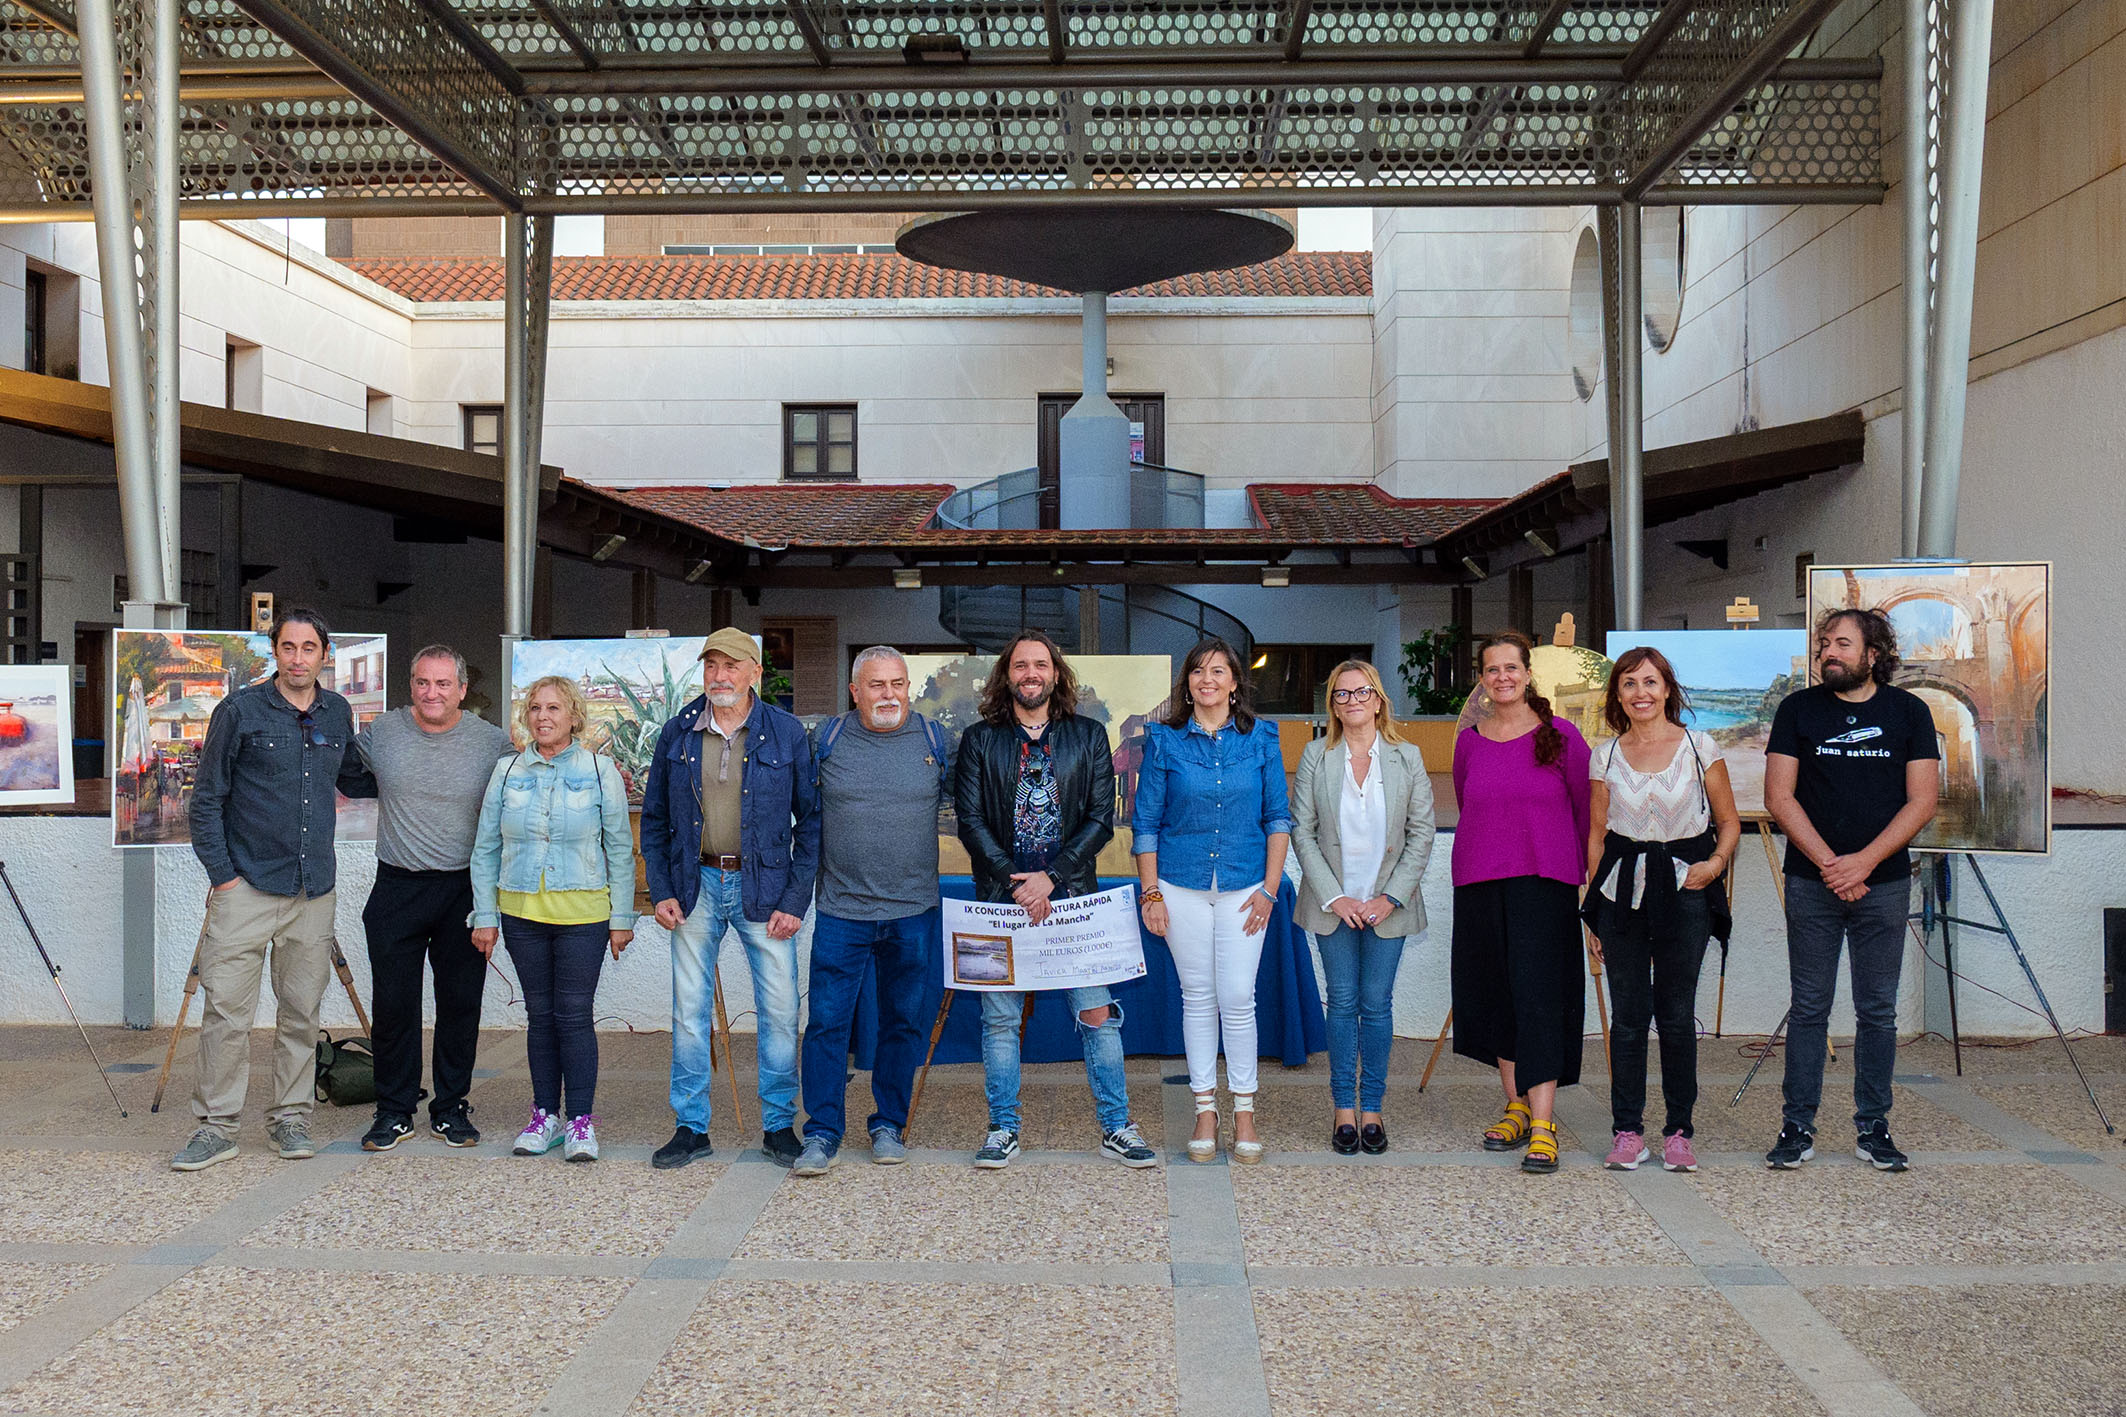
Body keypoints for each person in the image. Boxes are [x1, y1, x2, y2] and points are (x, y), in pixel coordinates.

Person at [172, 609, 376, 1172]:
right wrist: (224, 877)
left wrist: (424, 758)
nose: (298, 658)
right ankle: (216, 1128)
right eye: (288, 647)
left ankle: (291, 1118)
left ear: (324, 655)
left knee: (301, 1014)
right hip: (247, 887)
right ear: (275, 652)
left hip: (313, 891)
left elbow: (356, 779)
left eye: (309, 648)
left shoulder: (338, 713)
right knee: (227, 1015)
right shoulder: (239, 711)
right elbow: (206, 799)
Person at [955, 629, 1157, 1170]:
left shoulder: (1089, 735)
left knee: (1098, 1015)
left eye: (1039, 664)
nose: (1030, 673)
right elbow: (970, 822)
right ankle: (1003, 1129)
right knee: (998, 1021)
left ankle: (1116, 1126)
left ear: (1055, 673)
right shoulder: (979, 740)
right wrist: (1015, 880)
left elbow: (1100, 820)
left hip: (1074, 901)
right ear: (1007, 675)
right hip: (999, 901)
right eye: (1020, 665)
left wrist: (1051, 877)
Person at [1764, 607, 1939, 1173]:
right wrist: (1830, 865)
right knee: (1810, 1006)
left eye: (1841, 643)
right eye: (1823, 645)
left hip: (1883, 885)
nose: (1828, 653)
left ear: (1873, 654)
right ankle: (1797, 1126)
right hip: (1812, 884)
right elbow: (1779, 797)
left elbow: (1922, 801)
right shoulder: (1798, 710)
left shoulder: (1909, 712)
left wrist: (1862, 863)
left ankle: (1873, 1126)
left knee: (1878, 1011)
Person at [641, 626, 820, 1170]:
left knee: (780, 1012)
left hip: (766, 891)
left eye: (731, 666)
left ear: (755, 673)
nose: (720, 676)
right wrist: (662, 891)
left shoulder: (786, 733)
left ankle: (778, 1126)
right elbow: (654, 823)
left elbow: (811, 825)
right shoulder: (676, 733)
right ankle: (691, 1127)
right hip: (694, 887)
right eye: (711, 666)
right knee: (689, 1014)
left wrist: (795, 900)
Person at [791, 646, 954, 1177]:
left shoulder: (935, 740)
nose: (889, 695)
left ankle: (888, 1123)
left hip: (914, 911)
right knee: (827, 1025)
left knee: (903, 1022)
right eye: (877, 685)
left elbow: (973, 810)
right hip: (842, 911)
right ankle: (820, 1132)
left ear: (909, 687)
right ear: (855, 691)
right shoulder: (826, 741)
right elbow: (795, 815)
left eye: (898, 684)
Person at [1132, 637, 1291, 1164]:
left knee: (1238, 997)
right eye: (1198, 671)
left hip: (1247, 886)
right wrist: (1150, 892)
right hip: (1179, 885)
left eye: (1218, 671)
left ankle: (1244, 1111)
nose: (1208, 680)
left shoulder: (1263, 738)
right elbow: (1146, 824)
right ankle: (1205, 1109)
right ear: (1188, 684)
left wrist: (1270, 890)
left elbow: (1277, 819)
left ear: (1235, 682)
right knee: (1197, 996)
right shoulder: (1164, 741)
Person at [1581, 646, 1740, 1174]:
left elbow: (1730, 822)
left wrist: (1713, 865)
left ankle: (1679, 1132)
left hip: (1686, 893)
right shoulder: (1602, 754)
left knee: (1674, 1016)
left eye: (1650, 682)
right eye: (1629, 684)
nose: (1640, 693)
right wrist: (1592, 913)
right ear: (1617, 695)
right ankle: (1627, 1132)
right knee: (1627, 1020)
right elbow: (1598, 835)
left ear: (1667, 689)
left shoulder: (1700, 746)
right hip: (1620, 897)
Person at [470, 676, 636, 1163]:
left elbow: (621, 850)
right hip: (521, 910)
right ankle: (545, 1115)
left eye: (555, 708)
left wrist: (621, 917)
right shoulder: (506, 771)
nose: (544, 716)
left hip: (584, 911)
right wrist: (485, 914)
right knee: (540, 1017)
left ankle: (581, 1121)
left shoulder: (600, 770)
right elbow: (486, 849)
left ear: (574, 716)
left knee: (573, 1015)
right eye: (536, 708)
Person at [352, 645, 511, 1153]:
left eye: (444, 684)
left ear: (463, 689)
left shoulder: (492, 743)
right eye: (423, 682)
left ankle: (450, 1107)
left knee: (460, 1004)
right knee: (394, 1005)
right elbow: (328, 767)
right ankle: (394, 1109)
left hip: (464, 889)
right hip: (396, 885)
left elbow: (530, 793)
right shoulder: (381, 734)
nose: (432, 692)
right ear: (411, 685)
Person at [1450, 630, 1592, 1176]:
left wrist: (1583, 880)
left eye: (1512, 668)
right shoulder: (1469, 741)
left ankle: (1543, 1122)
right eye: (1492, 669)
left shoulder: (1562, 736)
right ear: (1482, 680)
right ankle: (1514, 1103)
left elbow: (1584, 814)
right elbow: (1470, 804)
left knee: (1539, 998)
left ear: (1528, 674)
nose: (1503, 677)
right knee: (1496, 995)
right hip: (1481, 880)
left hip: (1546, 880)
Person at [1289, 659, 1435, 1156]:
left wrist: (1388, 897)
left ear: (1379, 699)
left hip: (1388, 907)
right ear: (1332, 704)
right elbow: (1301, 832)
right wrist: (1337, 896)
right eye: (1341, 694)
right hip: (1334, 905)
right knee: (1343, 1002)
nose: (1352, 701)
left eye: (1361, 692)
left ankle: (1371, 1106)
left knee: (1376, 1005)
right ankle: (1343, 1110)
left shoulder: (1407, 756)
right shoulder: (1315, 755)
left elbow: (1421, 833)